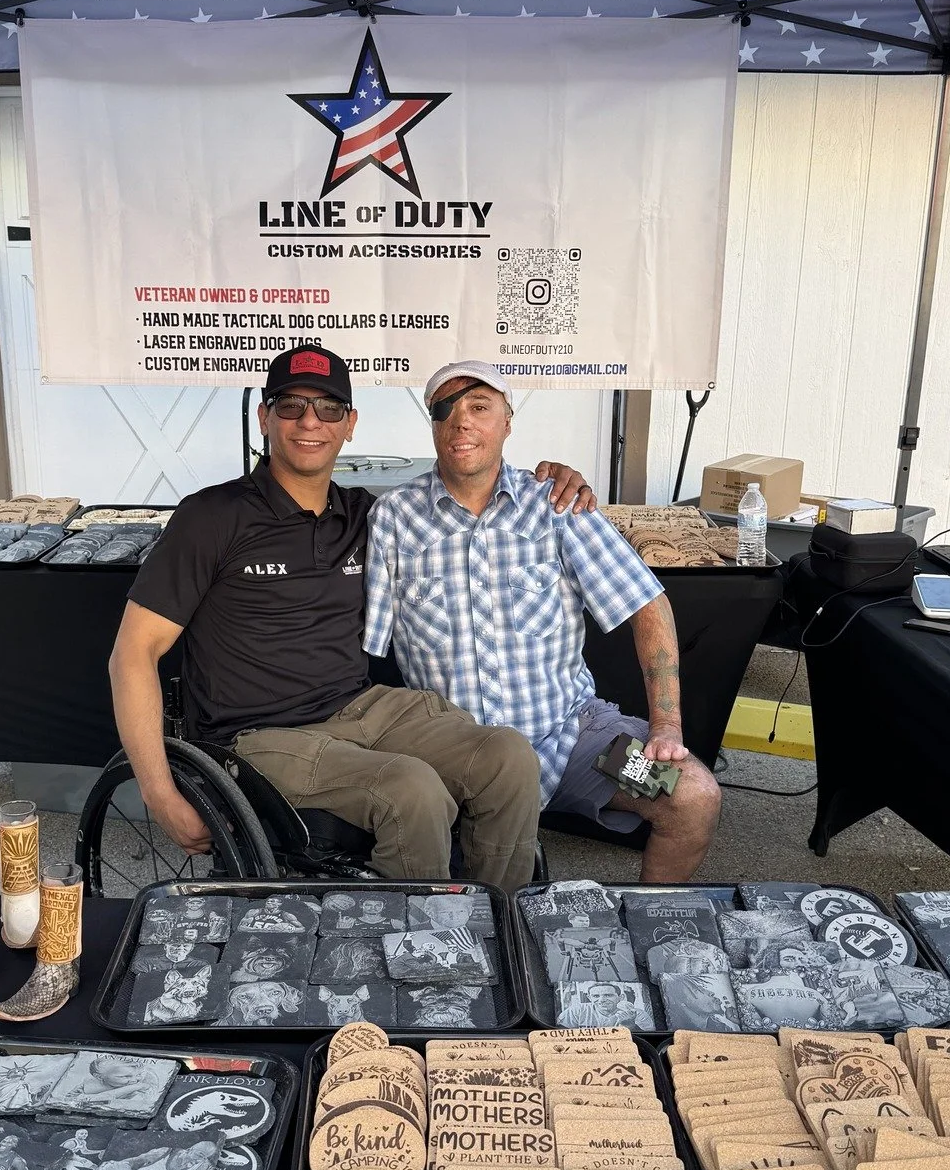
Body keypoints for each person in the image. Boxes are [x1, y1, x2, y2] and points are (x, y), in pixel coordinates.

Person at [110, 344, 593, 891]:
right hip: (256, 735)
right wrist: (158, 794)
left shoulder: (366, 515)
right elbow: (133, 654)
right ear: (264, 417)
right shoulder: (211, 517)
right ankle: (428, 935)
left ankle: (495, 913)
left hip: (359, 708)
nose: (309, 422)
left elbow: (462, 492)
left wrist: (551, 480)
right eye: (290, 406)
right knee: (411, 790)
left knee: (507, 757)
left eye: (328, 408)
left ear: (350, 424)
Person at [364, 362, 722, 884]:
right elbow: (367, 649)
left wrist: (666, 727)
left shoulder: (557, 505)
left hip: (573, 743)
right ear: (433, 424)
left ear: (507, 422)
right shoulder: (394, 518)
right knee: (456, 898)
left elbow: (647, 605)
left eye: (480, 407)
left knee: (689, 794)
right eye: (446, 410)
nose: (462, 421)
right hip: (451, 755)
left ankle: (646, 919)